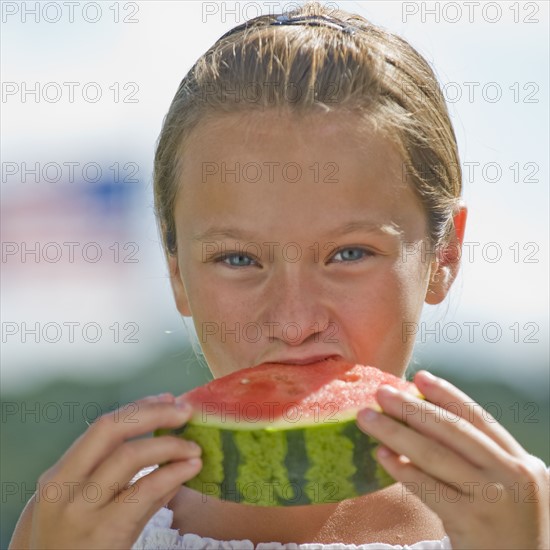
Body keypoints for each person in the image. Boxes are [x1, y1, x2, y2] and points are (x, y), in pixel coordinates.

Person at [9, 3, 548, 549]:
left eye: (350, 254)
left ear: (445, 254)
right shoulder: (77, 529)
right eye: (239, 259)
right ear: (176, 273)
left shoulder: (521, 527)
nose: (293, 323)